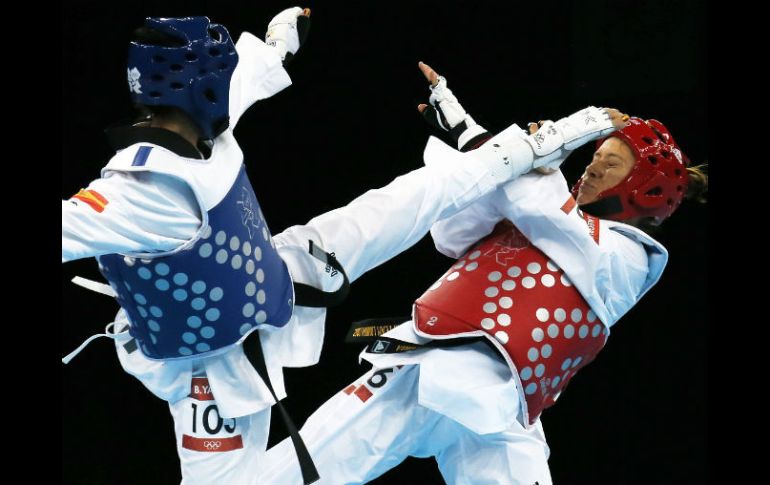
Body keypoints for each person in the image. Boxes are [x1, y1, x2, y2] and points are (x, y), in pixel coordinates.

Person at [61, 9, 626, 484]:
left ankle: (531, 146)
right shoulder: (139, 193)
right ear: (197, 84)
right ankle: (530, 148)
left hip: (280, 270)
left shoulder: (201, 111)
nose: (231, 77)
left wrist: (280, 39)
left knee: (410, 198)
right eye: (221, 67)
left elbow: (250, 72)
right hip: (212, 357)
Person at [262, 62, 708, 484]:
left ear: (644, 191)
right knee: (302, 471)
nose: (591, 166)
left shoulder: (631, 259)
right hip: (428, 367)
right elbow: (456, 227)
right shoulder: (542, 218)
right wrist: (492, 146)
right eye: (595, 156)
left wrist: (509, 141)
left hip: (502, 408)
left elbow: (539, 204)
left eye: (611, 164)